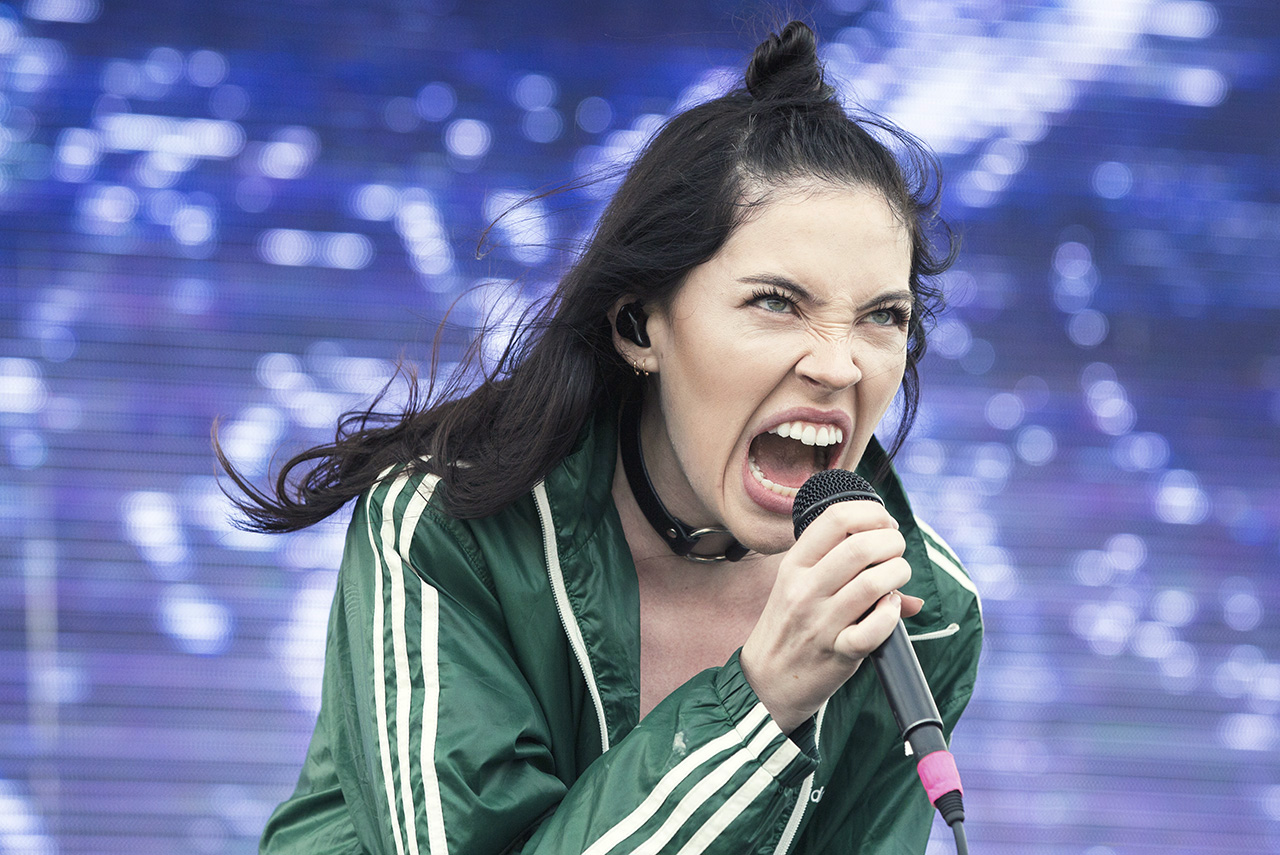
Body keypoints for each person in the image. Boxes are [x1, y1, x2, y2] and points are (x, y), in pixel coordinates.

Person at [222, 20, 982, 855]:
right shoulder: (444, 533)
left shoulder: (925, 614)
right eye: (776, 301)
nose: (840, 366)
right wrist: (760, 703)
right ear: (637, 324)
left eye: (883, 316)